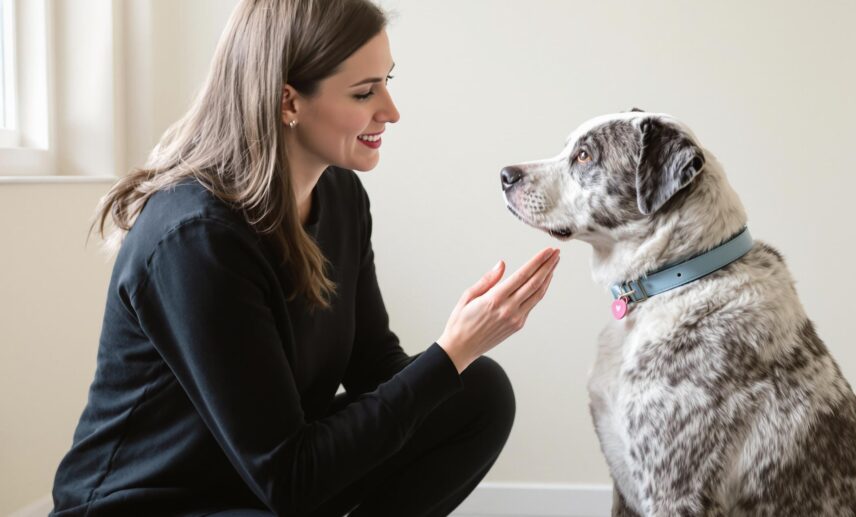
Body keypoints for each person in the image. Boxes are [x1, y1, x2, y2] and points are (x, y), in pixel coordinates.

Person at [50, 0, 560, 515]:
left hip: (261, 486)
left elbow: (373, 367)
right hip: (157, 504)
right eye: (364, 92)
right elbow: (290, 480)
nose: (390, 110)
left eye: (386, 80)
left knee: (477, 395)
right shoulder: (196, 238)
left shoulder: (340, 195)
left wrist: (459, 354)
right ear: (287, 101)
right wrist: (449, 352)